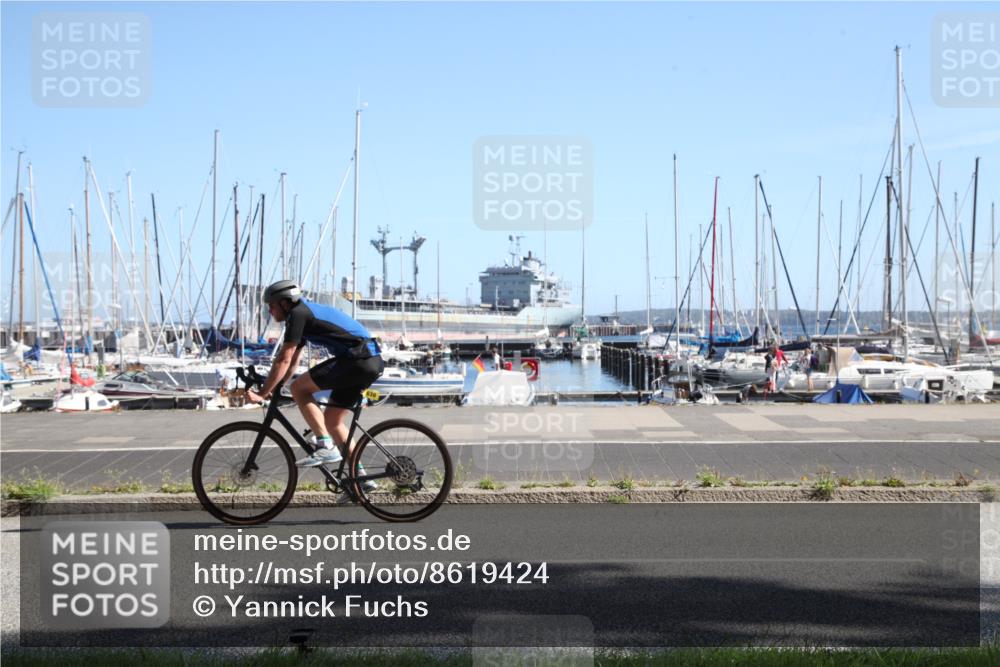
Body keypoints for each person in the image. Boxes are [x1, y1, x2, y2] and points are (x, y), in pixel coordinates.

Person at [246, 281, 384, 478]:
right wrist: (278, 385)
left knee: (299, 388)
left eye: (272, 305)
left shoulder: (298, 314)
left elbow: (283, 358)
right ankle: (361, 479)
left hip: (358, 360)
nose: (269, 310)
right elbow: (293, 360)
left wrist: (262, 393)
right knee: (333, 422)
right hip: (366, 361)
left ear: (285, 303)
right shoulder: (303, 314)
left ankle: (325, 445)